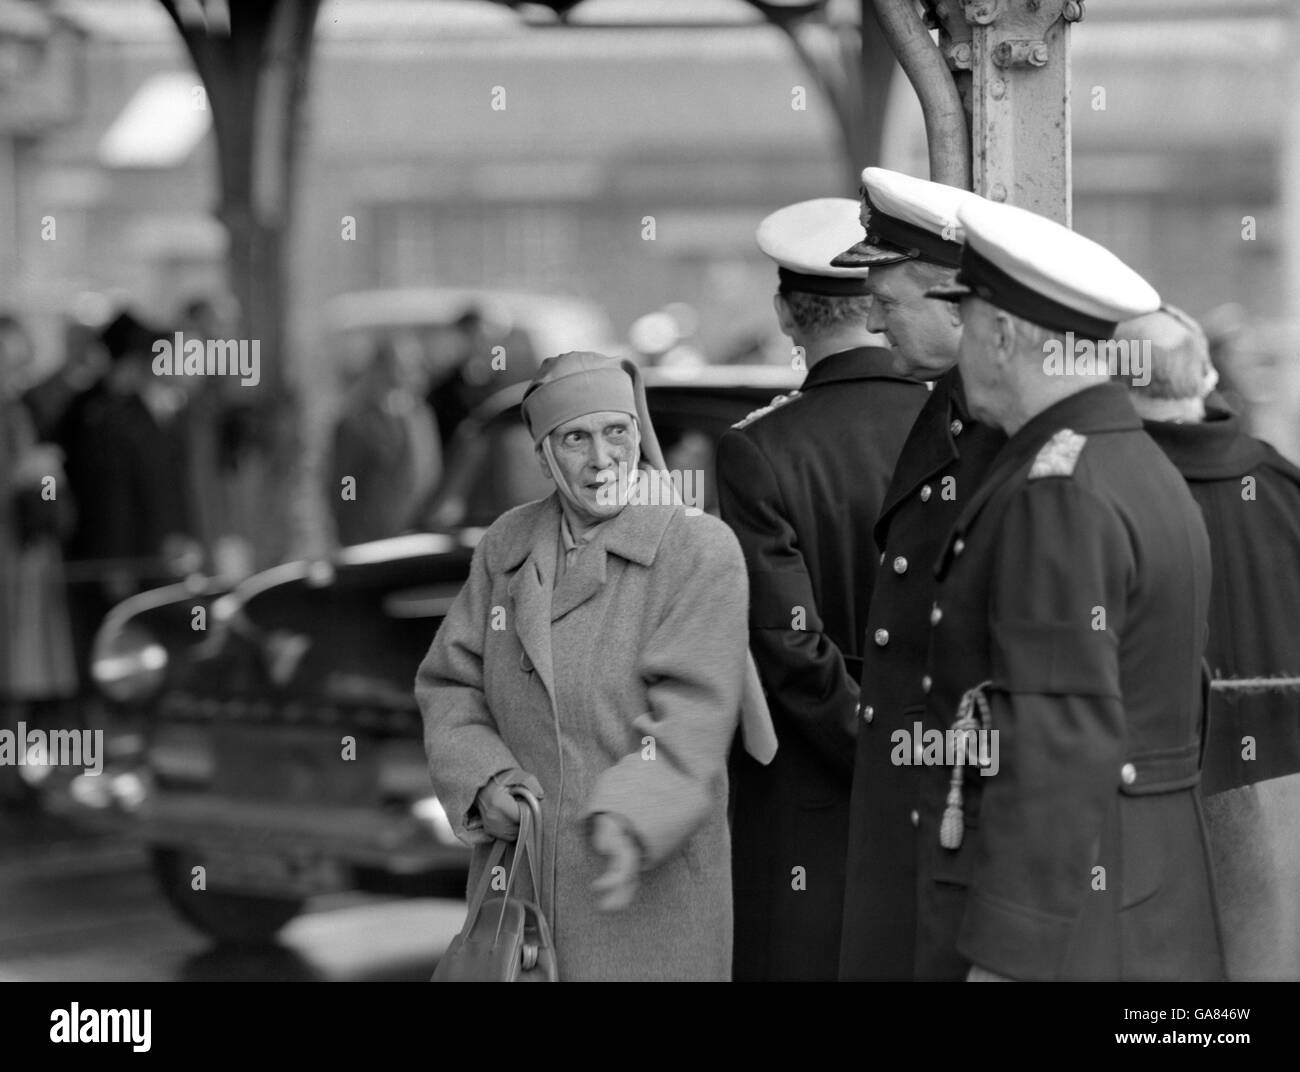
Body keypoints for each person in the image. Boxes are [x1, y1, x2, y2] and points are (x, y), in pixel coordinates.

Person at [918, 197, 1223, 981]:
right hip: (1142, 900)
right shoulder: (1131, 461)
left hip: (1072, 932)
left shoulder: (1060, 489)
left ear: (1004, 336)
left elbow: (1058, 739)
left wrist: (1008, 957)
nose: (959, 355)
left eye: (967, 328)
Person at [414, 351, 762, 981]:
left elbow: (694, 716)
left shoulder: (697, 550)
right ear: (543, 455)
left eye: (617, 433)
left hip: (646, 903)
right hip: (517, 899)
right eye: (576, 438)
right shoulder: (505, 546)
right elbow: (451, 686)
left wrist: (629, 819)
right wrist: (484, 781)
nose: (602, 459)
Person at [716, 197, 928, 980]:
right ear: (876, 306)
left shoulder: (757, 450)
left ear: (785, 314)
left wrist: (870, 749)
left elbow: (787, 645)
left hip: (814, 796)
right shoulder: (960, 424)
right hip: (943, 767)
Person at [830, 169, 1006, 980]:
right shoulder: (948, 407)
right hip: (916, 796)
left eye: (887, 302)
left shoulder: (1004, 437)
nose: (869, 320)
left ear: (952, 302)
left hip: (958, 809)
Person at [1121, 305, 1300, 980]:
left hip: (1153, 800)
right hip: (1284, 806)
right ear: (1207, 375)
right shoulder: (1283, 482)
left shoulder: (1106, 491)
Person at [0, 314, 78, 807]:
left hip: (25, 567)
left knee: (21, 685)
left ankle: (18, 779)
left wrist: (43, 481)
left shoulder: (20, 414)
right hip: (10, 568)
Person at [328, 338, 442, 545]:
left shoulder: (420, 414)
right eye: (401, 366)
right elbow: (345, 481)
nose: (409, 373)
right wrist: (350, 526)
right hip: (369, 536)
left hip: (414, 533)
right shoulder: (357, 421)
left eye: (413, 366)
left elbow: (430, 471)